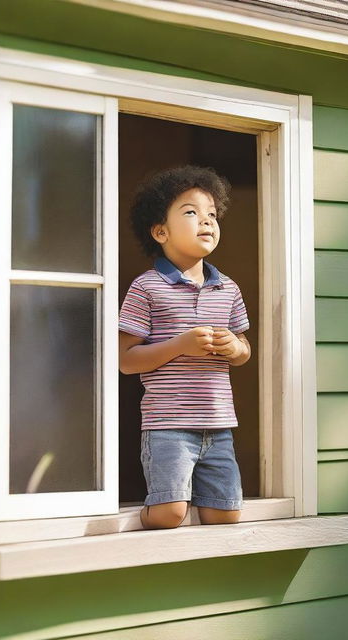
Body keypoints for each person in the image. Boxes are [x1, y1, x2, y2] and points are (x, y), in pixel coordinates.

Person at [118, 164, 252, 530]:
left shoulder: (228, 288)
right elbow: (125, 361)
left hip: (219, 424)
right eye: (192, 213)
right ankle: (127, 520)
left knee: (226, 514)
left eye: (212, 214)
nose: (207, 222)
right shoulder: (146, 287)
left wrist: (233, 348)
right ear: (160, 231)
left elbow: (244, 350)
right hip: (168, 426)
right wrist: (180, 345)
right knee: (169, 513)